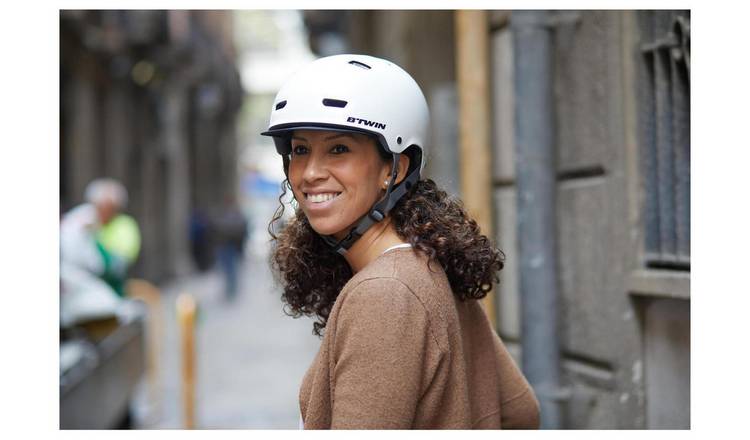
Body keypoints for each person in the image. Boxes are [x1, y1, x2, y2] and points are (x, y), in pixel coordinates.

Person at [262, 54, 540, 429]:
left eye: (339, 149)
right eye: (299, 150)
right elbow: (520, 411)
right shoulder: (425, 265)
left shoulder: (385, 292)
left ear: (395, 169)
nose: (310, 173)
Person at [60, 178, 141, 326]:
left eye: (108, 206)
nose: (103, 211)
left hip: (112, 286)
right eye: (100, 206)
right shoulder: (85, 219)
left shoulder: (124, 226)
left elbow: (117, 265)